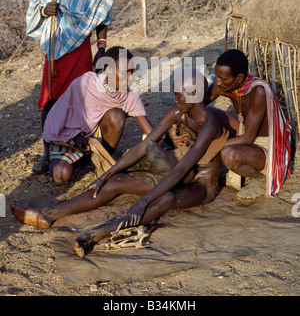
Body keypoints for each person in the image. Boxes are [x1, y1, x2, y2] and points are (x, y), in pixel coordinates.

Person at [11, 69, 230, 251]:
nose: (175, 100)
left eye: (179, 96)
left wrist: (141, 202)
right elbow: (145, 145)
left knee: (164, 199)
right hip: (177, 172)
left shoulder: (209, 126)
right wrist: (106, 175)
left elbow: (180, 171)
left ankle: (97, 234)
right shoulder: (179, 111)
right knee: (114, 182)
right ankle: (49, 214)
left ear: (194, 94)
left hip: (198, 186)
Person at [26, 0, 113, 174]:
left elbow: (102, 22)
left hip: (81, 49)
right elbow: (36, 6)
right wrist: (46, 11)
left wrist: (102, 49)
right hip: (56, 49)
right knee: (51, 100)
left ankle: (77, 150)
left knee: (80, 100)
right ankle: (46, 153)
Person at [38, 46, 153, 185]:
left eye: (131, 72)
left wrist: (166, 146)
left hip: (95, 139)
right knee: (60, 175)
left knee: (116, 115)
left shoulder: (129, 96)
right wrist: (76, 136)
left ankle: (101, 159)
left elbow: (150, 131)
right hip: (69, 136)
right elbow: (60, 116)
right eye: (125, 72)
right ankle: (69, 159)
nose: (130, 78)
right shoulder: (85, 83)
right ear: (108, 69)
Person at [204, 48, 292, 202]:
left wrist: (212, 145)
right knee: (208, 113)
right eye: (217, 76)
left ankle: (260, 180)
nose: (218, 82)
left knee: (228, 154)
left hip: (265, 147)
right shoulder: (224, 85)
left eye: (223, 78)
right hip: (244, 133)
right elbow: (196, 106)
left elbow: (248, 137)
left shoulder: (259, 91)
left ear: (239, 78)